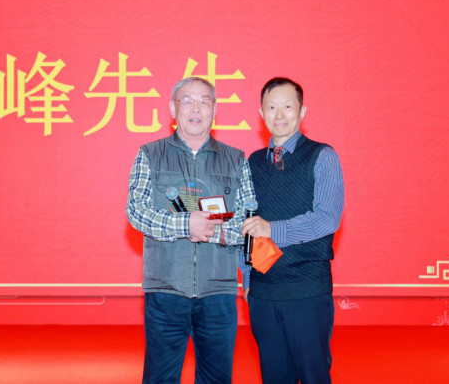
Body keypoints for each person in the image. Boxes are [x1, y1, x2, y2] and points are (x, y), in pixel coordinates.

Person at [126, 76, 256, 384]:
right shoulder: (150, 154)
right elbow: (136, 211)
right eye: (187, 100)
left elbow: (248, 220)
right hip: (166, 289)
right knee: (160, 377)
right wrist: (186, 225)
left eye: (204, 101)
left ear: (215, 110)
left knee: (216, 378)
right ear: (173, 109)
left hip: (218, 290)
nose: (196, 108)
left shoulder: (236, 159)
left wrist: (211, 230)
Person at [240, 77, 345, 384]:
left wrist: (272, 229)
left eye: (288, 106)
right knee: (273, 376)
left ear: (302, 112)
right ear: (261, 113)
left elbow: (327, 219)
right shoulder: (253, 163)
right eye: (271, 107)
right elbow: (246, 224)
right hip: (263, 293)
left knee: (314, 375)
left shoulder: (322, 156)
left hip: (307, 291)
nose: (280, 115)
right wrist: (247, 280)